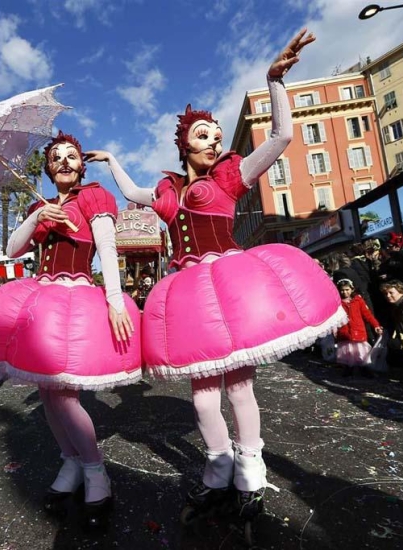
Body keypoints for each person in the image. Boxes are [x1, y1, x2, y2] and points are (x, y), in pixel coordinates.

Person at [87, 30, 343, 522]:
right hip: (189, 295)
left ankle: (251, 471)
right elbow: (135, 193)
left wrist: (274, 82)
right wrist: (113, 160)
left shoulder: (229, 176)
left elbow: (281, 138)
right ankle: (219, 469)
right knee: (204, 399)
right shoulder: (168, 191)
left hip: (228, 283)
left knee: (240, 389)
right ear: (184, 142)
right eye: (204, 134)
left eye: (217, 135)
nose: (215, 141)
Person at [0, 132, 142, 527]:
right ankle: (71, 462)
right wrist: (37, 217)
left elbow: (107, 248)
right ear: (48, 169)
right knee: (49, 395)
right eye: (56, 157)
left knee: (65, 396)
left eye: (71, 156)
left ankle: (95, 469)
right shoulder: (41, 206)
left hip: (77, 298)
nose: (64, 161)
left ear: (82, 166)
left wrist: (115, 300)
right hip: (41, 303)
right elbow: (12, 250)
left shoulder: (95, 196)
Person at [335, 279, 382, 376]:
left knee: (362, 352)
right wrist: (334, 329)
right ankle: (348, 368)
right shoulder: (338, 303)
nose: (345, 292)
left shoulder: (358, 300)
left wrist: (376, 325)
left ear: (352, 289)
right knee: (347, 351)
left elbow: (367, 314)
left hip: (358, 331)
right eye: (342, 290)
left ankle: (365, 369)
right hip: (344, 331)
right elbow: (334, 318)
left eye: (347, 289)